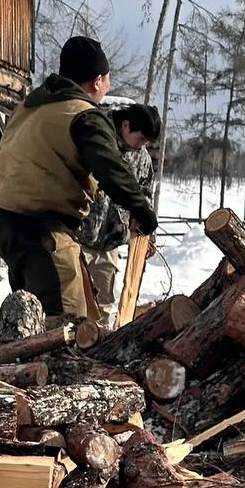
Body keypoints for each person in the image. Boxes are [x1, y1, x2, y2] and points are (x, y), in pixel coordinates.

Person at [0, 37, 158, 325]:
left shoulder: (29, 107)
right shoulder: (83, 115)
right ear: (97, 81)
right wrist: (143, 212)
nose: (108, 84)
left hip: (8, 225)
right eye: (107, 78)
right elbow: (112, 170)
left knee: (29, 318)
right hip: (44, 229)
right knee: (66, 325)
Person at [78, 102, 161, 323]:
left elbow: (146, 197)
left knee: (103, 307)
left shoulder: (141, 158)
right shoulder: (98, 139)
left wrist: (147, 235)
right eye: (141, 139)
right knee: (73, 304)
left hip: (110, 241)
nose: (142, 145)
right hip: (77, 236)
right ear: (125, 125)